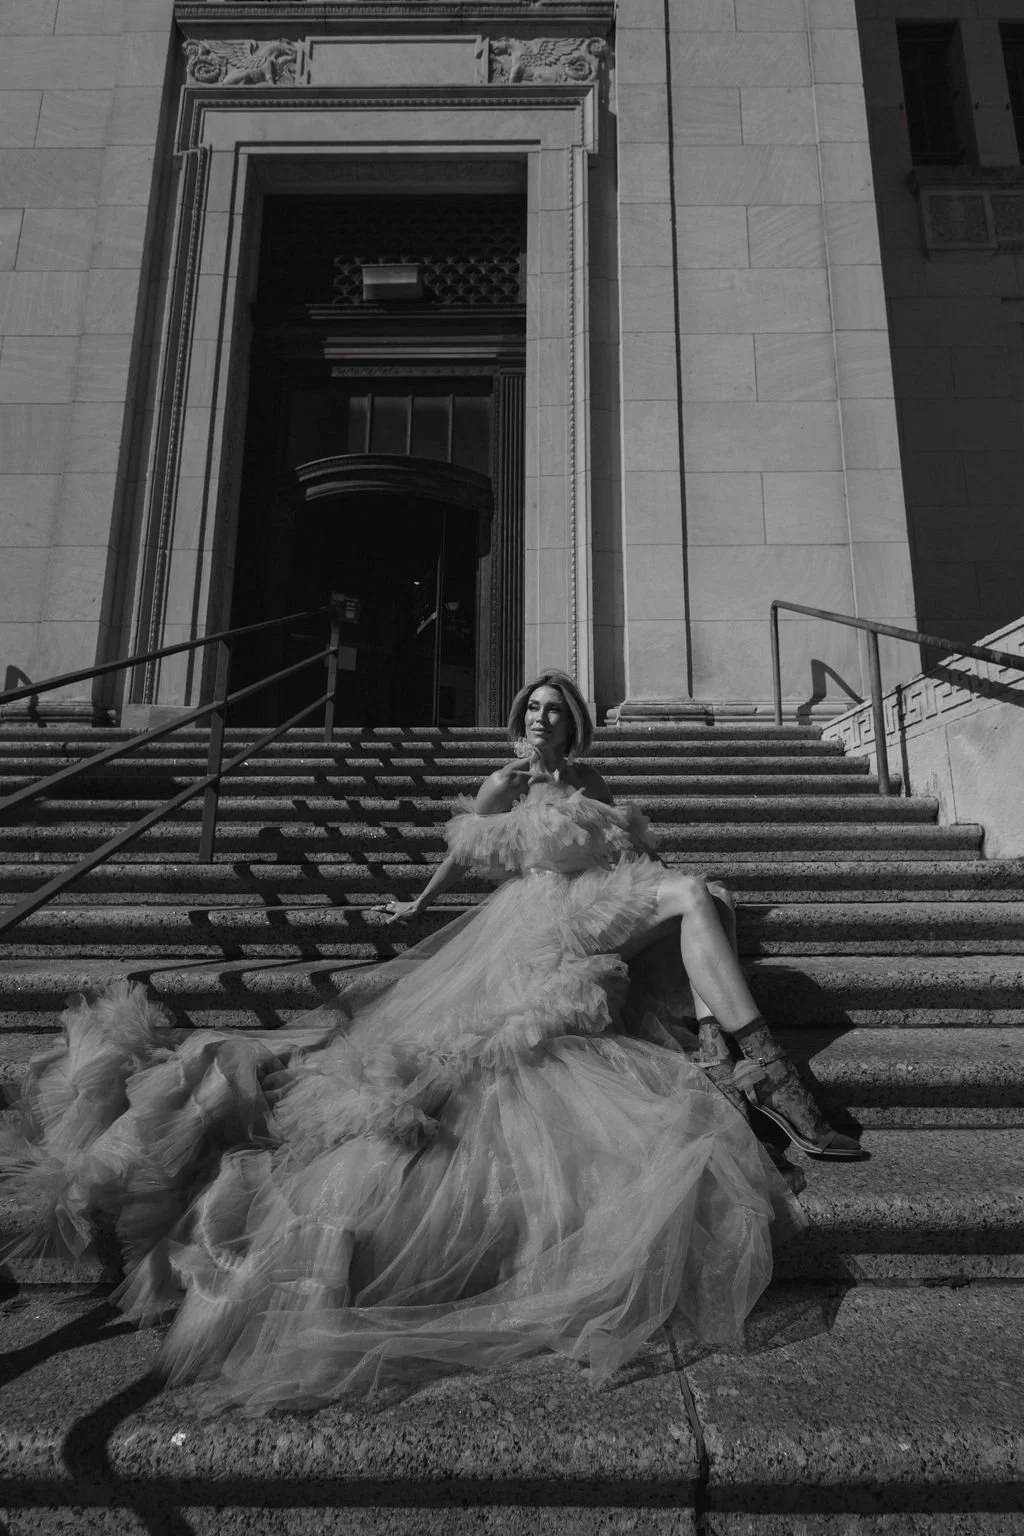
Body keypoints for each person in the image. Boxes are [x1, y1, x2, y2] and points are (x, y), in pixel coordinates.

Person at [0, 670, 859, 1413]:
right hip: (534, 925)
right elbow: (460, 855)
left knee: (700, 894)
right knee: (543, 1010)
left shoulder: (594, 780)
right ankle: (751, 1064)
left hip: (595, 909)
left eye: (554, 711)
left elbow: (632, 857)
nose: (541, 721)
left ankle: (739, 1055)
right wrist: (415, 904)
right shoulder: (503, 783)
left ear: (574, 723)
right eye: (533, 710)